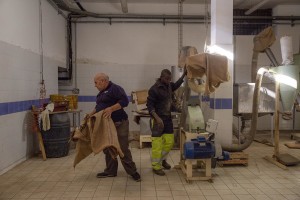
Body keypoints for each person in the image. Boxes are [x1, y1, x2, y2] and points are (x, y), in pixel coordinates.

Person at [88, 73, 141, 182]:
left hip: (119, 123)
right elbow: (99, 106)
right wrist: (91, 114)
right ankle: (110, 171)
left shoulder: (115, 88)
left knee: (122, 148)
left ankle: (132, 171)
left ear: (103, 81)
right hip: (107, 125)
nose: (95, 85)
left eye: (96, 82)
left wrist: (111, 109)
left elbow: (124, 102)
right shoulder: (101, 93)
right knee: (108, 147)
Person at [146, 67, 187, 176]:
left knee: (169, 142)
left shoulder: (168, 86)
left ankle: (163, 160)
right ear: (161, 77)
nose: (169, 81)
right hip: (157, 120)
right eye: (167, 79)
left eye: (170, 79)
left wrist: (184, 75)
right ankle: (156, 166)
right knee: (157, 145)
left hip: (167, 119)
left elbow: (176, 85)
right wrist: (157, 119)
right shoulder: (154, 89)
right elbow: (149, 106)